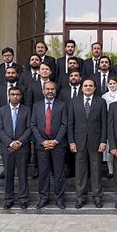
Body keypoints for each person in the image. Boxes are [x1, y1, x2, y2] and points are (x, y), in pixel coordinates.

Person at [68, 78, 108, 209]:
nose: (88, 87)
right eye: (85, 85)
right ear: (81, 87)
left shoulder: (101, 102)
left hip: (96, 142)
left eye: (91, 85)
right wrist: (71, 141)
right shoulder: (74, 102)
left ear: (95, 88)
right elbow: (70, 124)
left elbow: (104, 123)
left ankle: (97, 196)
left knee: (96, 170)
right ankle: (81, 197)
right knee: (80, 171)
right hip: (79, 142)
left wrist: (103, 141)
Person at [31, 81, 68, 209]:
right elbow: (33, 125)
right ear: (43, 91)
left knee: (59, 173)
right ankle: (43, 198)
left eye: (52, 89)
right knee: (43, 173)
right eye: (47, 89)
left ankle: (60, 199)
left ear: (55, 91)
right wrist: (43, 141)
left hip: (58, 144)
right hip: (42, 145)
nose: (50, 91)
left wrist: (55, 141)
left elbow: (64, 124)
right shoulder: (36, 106)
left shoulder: (62, 105)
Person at [0, 87, 31, 209]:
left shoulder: (27, 110)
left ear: (21, 96)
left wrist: (19, 142)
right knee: (8, 175)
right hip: (7, 148)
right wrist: (10, 143)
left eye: (17, 94)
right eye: (12, 94)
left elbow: (29, 128)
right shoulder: (1, 111)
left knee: (23, 175)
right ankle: (8, 199)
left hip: (23, 148)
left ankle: (23, 199)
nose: (15, 96)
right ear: (8, 96)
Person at [102, 76, 117, 179]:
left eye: (114, 83)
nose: (112, 85)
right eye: (110, 84)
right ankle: (110, 171)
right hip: (109, 123)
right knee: (110, 148)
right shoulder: (104, 96)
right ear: (108, 85)